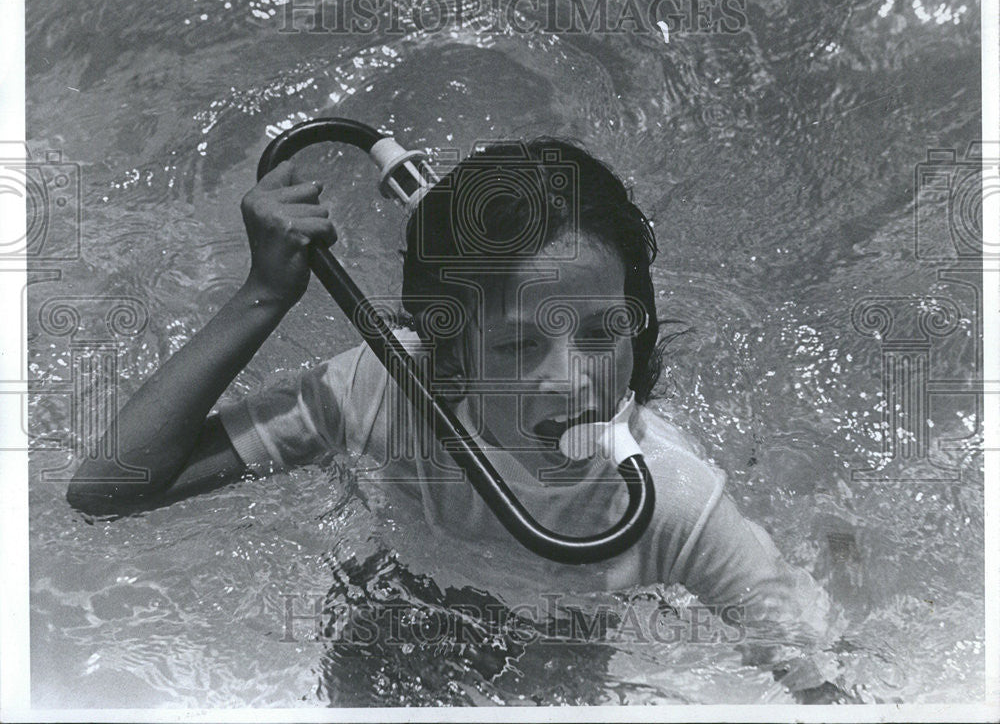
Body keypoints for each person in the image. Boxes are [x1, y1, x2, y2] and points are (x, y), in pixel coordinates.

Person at [67, 138, 844, 700]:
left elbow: (819, 678)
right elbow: (110, 489)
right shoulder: (392, 389)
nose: (572, 383)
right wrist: (262, 297)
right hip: (407, 603)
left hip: (563, 635)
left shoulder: (676, 504)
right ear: (449, 352)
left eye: (604, 331)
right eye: (519, 343)